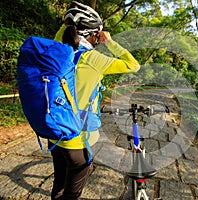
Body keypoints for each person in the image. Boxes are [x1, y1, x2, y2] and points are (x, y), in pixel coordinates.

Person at [48, 1, 140, 199]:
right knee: (73, 188)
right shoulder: (95, 60)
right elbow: (133, 65)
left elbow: (64, 34)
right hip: (76, 138)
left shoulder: (55, 53)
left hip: (53, 132)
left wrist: (71, 21)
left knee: (59, 182)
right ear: (93, 34)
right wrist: (109, 41)